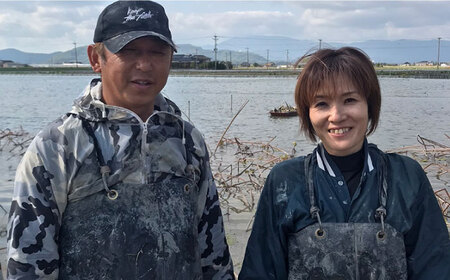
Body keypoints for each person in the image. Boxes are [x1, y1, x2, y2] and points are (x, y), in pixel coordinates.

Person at [6, 1, 234, 279]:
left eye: (158, 52)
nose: (145, 64)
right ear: (95, 58)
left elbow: (213, 250)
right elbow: (28, 264)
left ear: (171, 59)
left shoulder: (188, 141)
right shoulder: (58, 145)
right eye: (129, 51)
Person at [239, 47, 450, 280]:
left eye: (349, 100)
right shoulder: (285, 181)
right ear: (307, 113)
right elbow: (260, 271)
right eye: (321, 104)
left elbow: (435, 268)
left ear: (370, 106)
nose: (336, 116)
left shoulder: (407, 177)